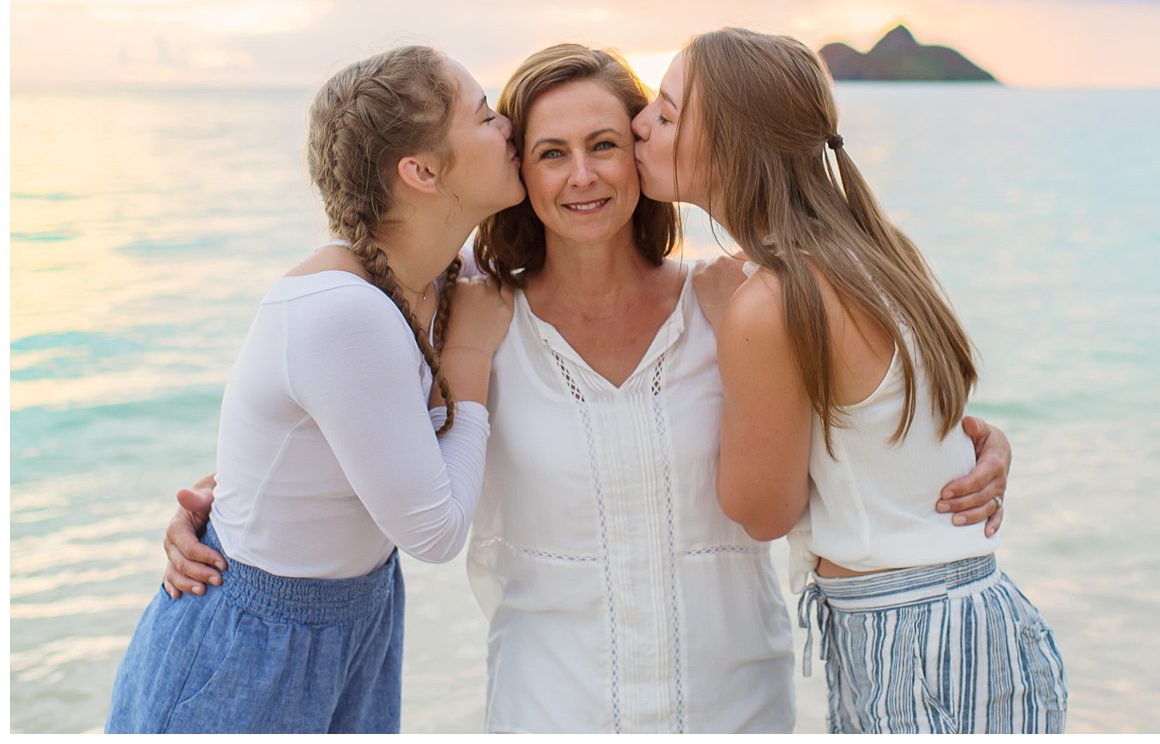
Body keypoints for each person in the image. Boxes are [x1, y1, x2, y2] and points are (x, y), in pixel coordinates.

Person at [160, 44, 1013, 732]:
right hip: (547, 710)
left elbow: (868, 409)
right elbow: (330, 426)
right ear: (518, 170)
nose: (583, 177)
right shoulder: (468, 318)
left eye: (606, 143)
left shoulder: (738, 301)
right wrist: (220, 512)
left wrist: (969, 440)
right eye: (549, 152)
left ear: (644, 147)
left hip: (738, 710)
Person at [630, 27, 1068, 733]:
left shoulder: (769, 302)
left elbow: (760, 509)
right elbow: (921, 432)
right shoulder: (874, 249)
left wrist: (723, 334)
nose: (640, 124)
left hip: (915, 641)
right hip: (971, 617)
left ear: (732, 146)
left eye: (667, 113)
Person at [107, 45, 521, 733]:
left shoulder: (445, 276)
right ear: (420, 171)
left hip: (358, 617)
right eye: (483, 115)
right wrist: (472, 354)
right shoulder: (342, 309)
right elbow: (435, 531)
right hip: (250, 643)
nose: (505, 123)